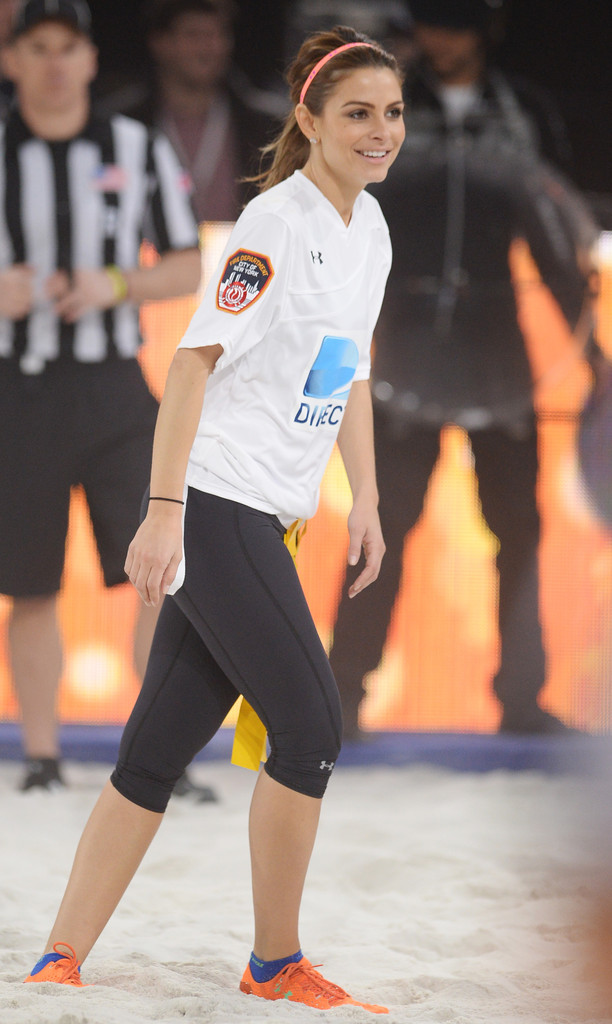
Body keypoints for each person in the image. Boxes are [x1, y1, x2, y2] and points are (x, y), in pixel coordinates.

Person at [21, 23, 405, 1013]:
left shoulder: (370, 229)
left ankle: (59, 955)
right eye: (358, 113)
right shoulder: (274, 224)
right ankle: (274, 963)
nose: (381, 130)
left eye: (393, 112)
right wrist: (163, 513)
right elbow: (190, 366)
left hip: (268, 513)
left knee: (154, 751)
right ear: (310, 121)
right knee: (311, 727)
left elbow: (349, 372)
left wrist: (365, 495)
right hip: (218, 503)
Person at [327, 0, 598, 738]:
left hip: (496, 355)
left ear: (483, 31)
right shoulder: (386, 103)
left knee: (520, 527)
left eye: (452, 25)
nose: (437, 40)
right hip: (404, 350)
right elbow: (341, 213)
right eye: (429, 24)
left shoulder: (521, 112)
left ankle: (522, 697)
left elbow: (554, 231)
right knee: (379, 526)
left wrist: (591, 353)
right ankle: (342, 693)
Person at [0, 0, 204, 792]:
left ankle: (157, 756)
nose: (54, 64)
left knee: (159, 574)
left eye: (68, 48)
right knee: (29, 584)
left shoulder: (136, 146)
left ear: (90, 60)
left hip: (116, 389)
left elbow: (186, 266)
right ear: (13, 60)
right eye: (38, 47)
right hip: (18, 394)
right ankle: (41, 758)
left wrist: (114, 283)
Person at [101, 0, 285, 225]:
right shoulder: (122, 125)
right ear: (160, 43)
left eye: (217, 35)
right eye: (194, 35)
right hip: (152, 247)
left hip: (246, 247)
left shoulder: (269, 126)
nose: (208, 48)